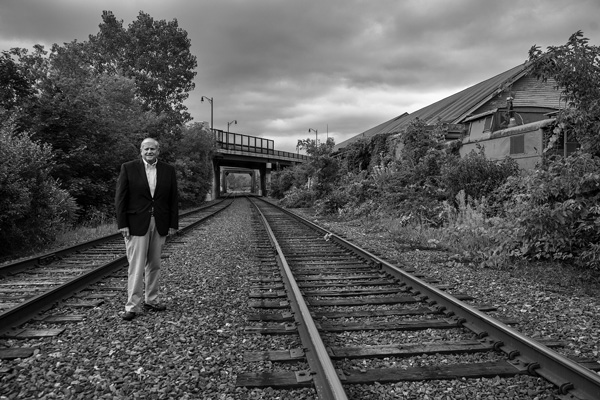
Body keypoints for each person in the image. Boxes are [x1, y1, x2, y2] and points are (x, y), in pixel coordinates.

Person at [115, 137, 179, 321]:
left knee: (154, 264)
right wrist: (123, 224)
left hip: (159, 222)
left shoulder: (168, 170)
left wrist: (173, 224)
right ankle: (132, 306)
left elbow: (173, 198)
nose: (149, 152)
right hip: (136, 223)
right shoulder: (128, 168)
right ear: (141, 151)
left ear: (158, 151)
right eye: (146, 149)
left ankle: (152, 299)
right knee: (136, 266)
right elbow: (120, 198)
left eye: (153, 149)